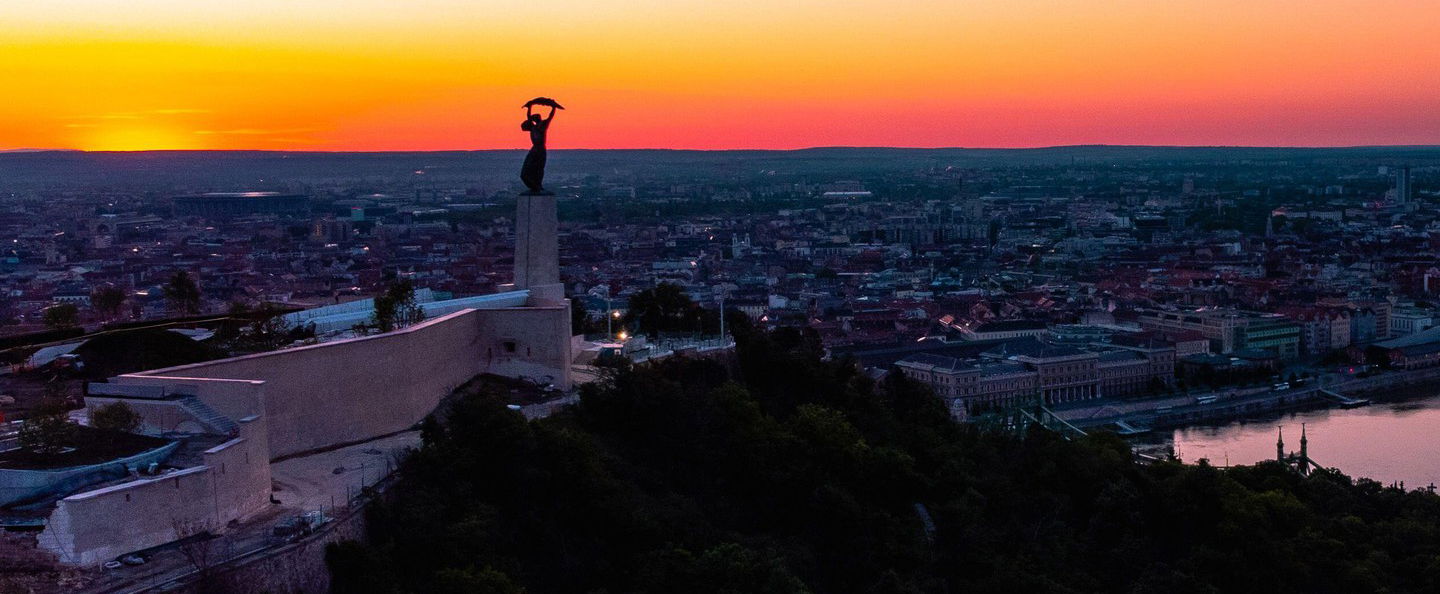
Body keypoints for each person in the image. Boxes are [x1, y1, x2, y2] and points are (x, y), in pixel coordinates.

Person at [520, 101, 558, 194]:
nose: (532, 119)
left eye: (534, 118)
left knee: (539, 168)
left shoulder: (543, 125)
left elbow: (550, 117)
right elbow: (528, 117)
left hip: (540, 150)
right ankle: (535, 186)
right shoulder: (533, 127)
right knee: (525, 173)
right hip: (534, 150)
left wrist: (553, 107)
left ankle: (538, 185)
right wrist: (529, 107)